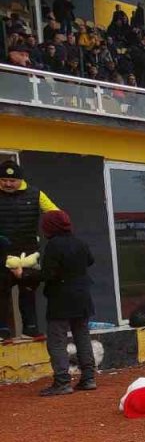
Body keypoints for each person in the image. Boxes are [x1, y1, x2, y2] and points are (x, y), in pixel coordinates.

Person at [37, 210, 96, 396]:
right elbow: (90, 261)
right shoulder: (80, 242)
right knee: (82, 336)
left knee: (57, 340)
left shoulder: (53, 245)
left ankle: (62, 381)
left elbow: (48, 274)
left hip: (61, 298)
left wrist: (25, 275)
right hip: (82, 295)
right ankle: (88, 378)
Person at [0, 160, 58, 340]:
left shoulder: (36, 194)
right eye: (3, 180)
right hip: (2, 254)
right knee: (1, 292)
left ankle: (30, 329)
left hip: (28, 254)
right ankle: (2, 331)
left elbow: (55, 214)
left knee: (28, 292)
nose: (8, 184)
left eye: (12, 181)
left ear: (21, 180)